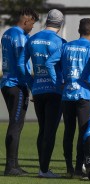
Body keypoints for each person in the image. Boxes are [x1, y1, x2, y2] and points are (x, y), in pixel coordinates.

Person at [45, 18, 90, 177]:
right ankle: (78, 168)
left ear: (79, 30)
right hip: (83, 94)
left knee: (68, 132)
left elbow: (49, 63)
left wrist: (57, 83)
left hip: (67, 94)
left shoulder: (66, 46)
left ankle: (69, 168)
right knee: (84, 132)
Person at [17, 9, 66, 178]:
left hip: (38, 90)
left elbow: (20, 64)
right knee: (50, 131)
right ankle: (44, 170)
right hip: (54, 90)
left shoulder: (32, 39)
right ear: (60, 24)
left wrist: (31, 83)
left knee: (42, 129)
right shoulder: (60, 42)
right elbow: (64, 68)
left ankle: (42, 167)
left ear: (46, 21)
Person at [0, 7, 39, 176]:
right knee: (16, 125)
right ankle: (10, 167)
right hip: (17, 84)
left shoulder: (7, 33)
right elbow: (21, 64)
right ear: (26, 21)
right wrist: (33, 86)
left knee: (15, 124)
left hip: (7, 83)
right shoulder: (19, 37)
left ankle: (14, 164)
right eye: (32, 24)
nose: (33, 27)